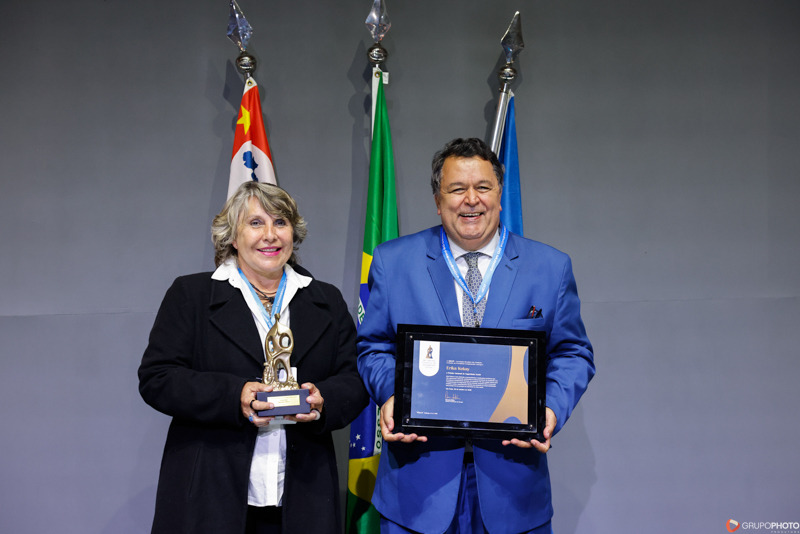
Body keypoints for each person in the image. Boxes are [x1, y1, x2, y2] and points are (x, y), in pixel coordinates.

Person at [357, 138, 595, 534]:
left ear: (499, 195)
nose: (471, 200)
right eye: (457, 189)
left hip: (514, 487)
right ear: (438, 200)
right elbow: (372, 346)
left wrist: (549, 410)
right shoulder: (393, 261)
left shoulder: (549, 267)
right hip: (416, 487)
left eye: (483, 187)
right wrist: (392, 394)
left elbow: (573, 353)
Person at [139, 181, 368, 534]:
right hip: (210, 494)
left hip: (303, 495)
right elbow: (158, 378)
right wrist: (235, 395)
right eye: (256, 223)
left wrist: (323, 400)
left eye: (281, 222)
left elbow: (354, 380)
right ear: (233, 236)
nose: (270, 235)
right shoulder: (192, 295)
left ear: (293, 233)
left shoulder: (327, 300)